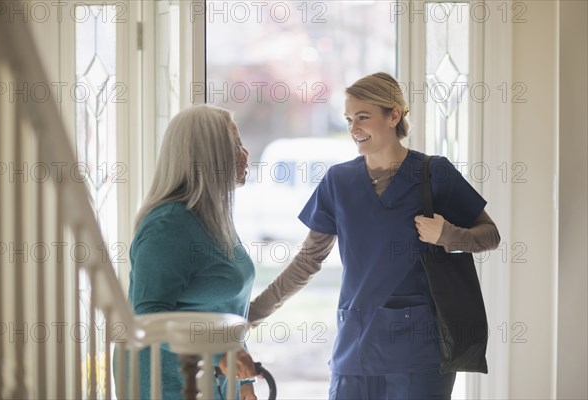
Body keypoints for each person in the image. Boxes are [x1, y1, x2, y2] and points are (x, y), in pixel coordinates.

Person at [248, 72, 501, 399]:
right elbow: (308, 260)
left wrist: (448, 235)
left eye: (363, 118)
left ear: (394, 115)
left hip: (421, 354)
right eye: (349, 119)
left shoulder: (433, 173)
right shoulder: (338, 182)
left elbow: (490, 235)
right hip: (355, 349)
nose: (354, 129)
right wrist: (253, 313)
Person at [116, 105, 258, 400]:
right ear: (209, 157)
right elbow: (148, 317)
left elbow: (227, 310)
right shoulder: (167, 225)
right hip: (165, 385)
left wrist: (244, 382)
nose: (245, 155)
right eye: (235, 146)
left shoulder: (213, 217)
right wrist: (222, 354)